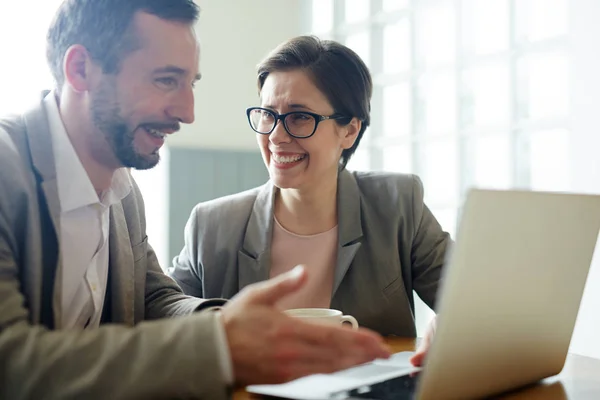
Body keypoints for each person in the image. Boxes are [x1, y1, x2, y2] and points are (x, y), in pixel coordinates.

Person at [0, 2, 391, 399]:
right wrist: (219, 347)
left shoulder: (122, 189)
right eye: (165, 81)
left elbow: (153, 298)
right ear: (80, 69)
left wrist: (228, 324)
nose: (187, 113)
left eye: (191, 84)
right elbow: (10, 362)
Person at [169, 36, 451, 347]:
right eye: (267, 114)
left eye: (300, 117)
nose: (276, 136)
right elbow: (165, 318)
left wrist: (452, 321)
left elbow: (472, 300)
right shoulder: (212, 226)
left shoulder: (398, 205)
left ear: (349, 130)